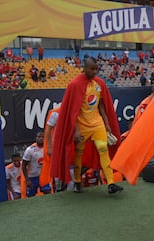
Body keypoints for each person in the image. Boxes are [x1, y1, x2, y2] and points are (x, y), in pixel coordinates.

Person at [50, 57, 123, 194]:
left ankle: (111, 183)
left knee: (103, 148)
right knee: (78, 154)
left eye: (96, 69)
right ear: (85, 68)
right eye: (92, 69)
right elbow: (73, 112)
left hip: (97, 124)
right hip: (82, 126)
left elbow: (102, 105)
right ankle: (77, 181)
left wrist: (106, 123)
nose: (95, 72)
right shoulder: (75, 84)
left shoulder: (99, 83)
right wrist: (76, 130)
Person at [22, 131, 52, 197]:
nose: (41, 138)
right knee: (31, 196)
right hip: (33, 177)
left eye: (43, 137)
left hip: (44, 176)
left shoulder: (48, 148)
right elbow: (24, 165)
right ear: (36, 138)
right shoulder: (30, 150)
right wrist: (27, 180)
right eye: (39, 137)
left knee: (48, 193)